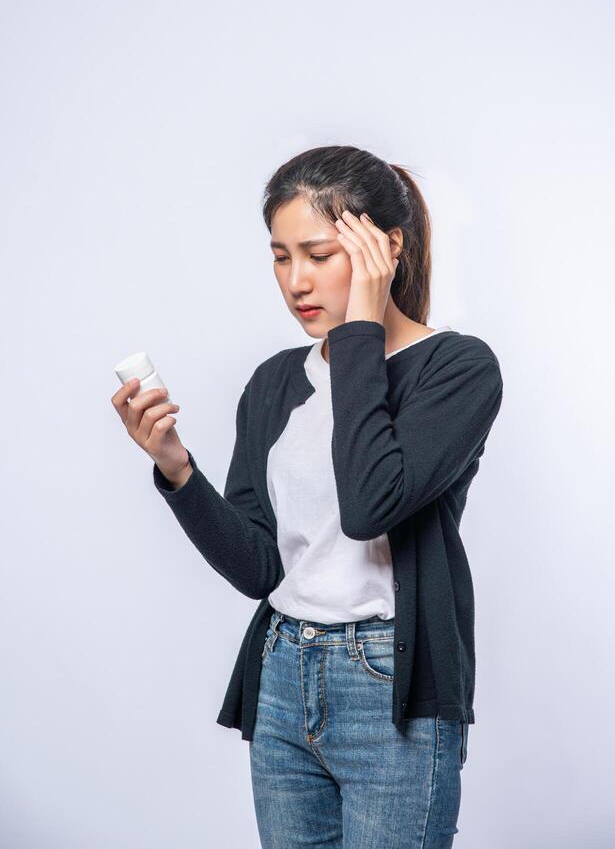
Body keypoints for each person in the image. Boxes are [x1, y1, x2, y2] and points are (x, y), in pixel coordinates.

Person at [111, 145, 504, 848]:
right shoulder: (273, 383)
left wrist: (358, 329)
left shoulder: (456, 368)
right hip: (283, 673)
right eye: (281, 256)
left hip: (391, 689)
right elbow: (262, 569)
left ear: (386, 247)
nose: (296, 281)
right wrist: (176, 470)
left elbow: (370, 505)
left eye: (320, 254)